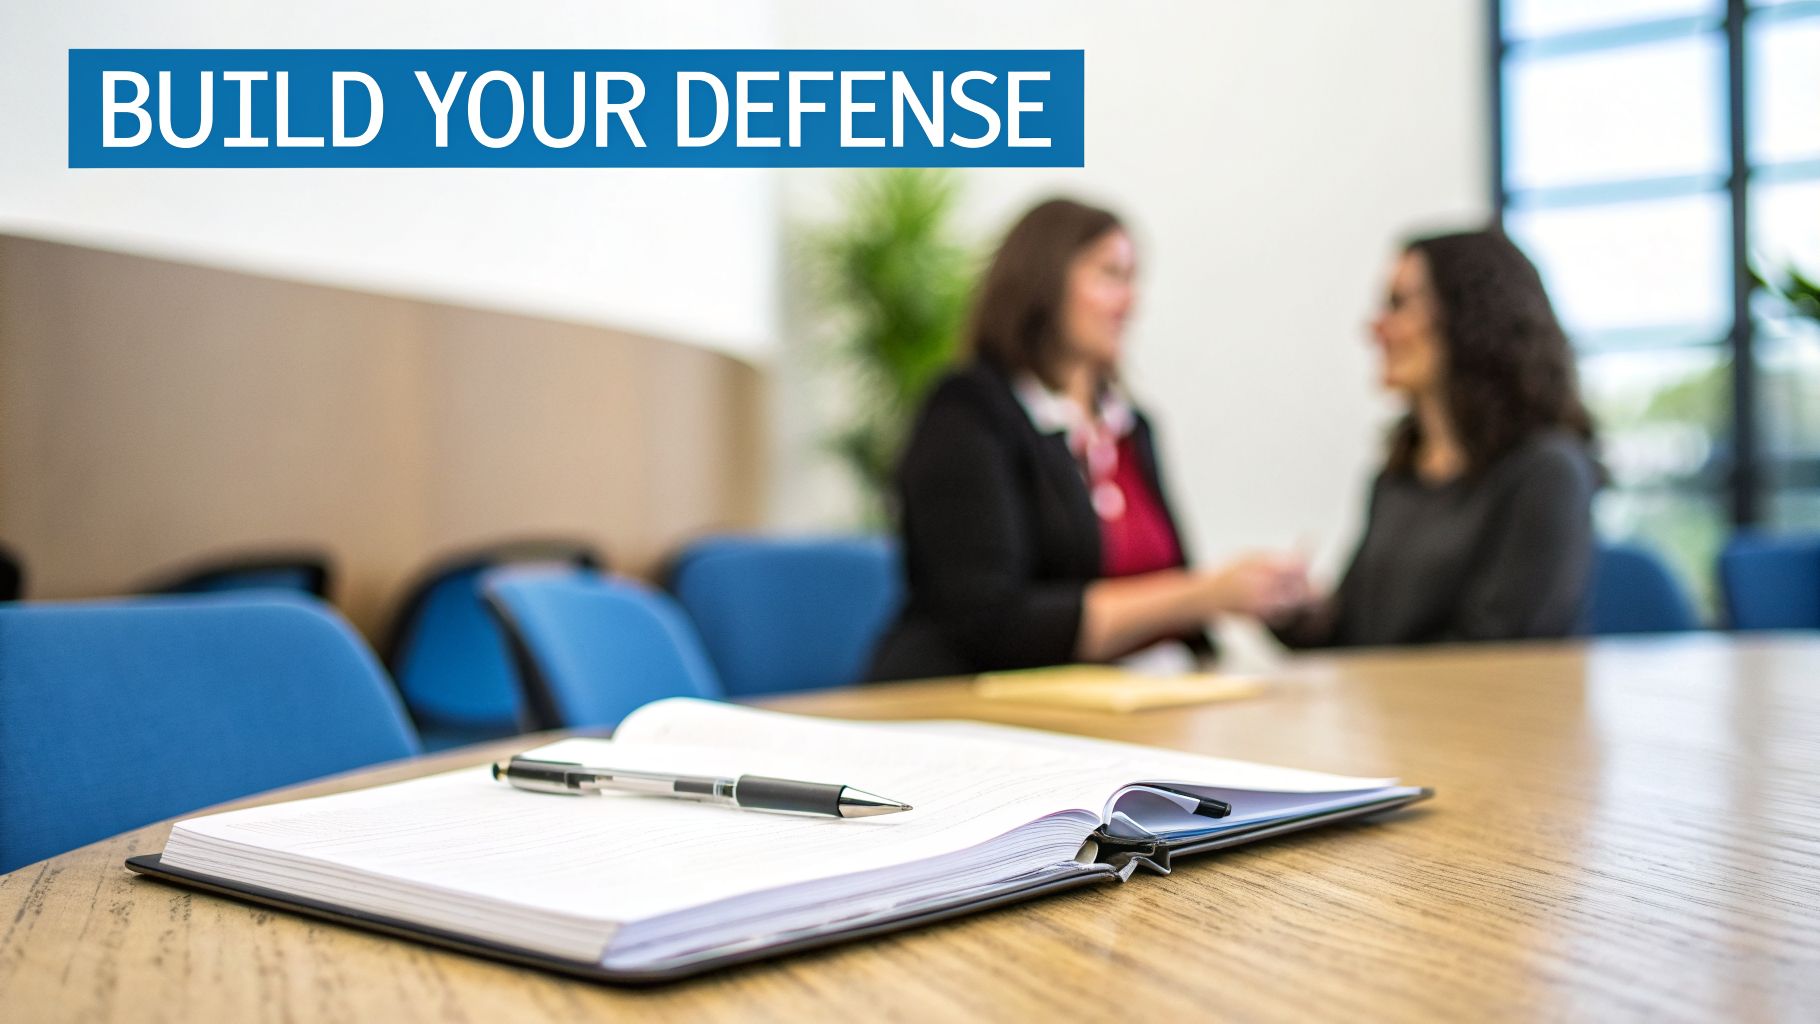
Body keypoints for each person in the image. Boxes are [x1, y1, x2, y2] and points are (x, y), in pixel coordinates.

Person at [866, 198, 1305, 682]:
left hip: (1137, 703)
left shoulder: (1130, 429)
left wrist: (1257, 597)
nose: (1131, 301)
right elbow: (993, 624)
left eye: (1133, 279)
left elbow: (1178, 598)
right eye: (1110, 275)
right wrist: (1203, 595)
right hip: (975, 710)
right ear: (1044, 280)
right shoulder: (968, 413)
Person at [1271, 228, 1600, 648]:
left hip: (1478, 713)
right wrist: (1297, 613)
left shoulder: (1546, 473)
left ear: (1471, 315)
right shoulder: (1398, 478)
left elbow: (1496, 653)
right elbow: (1351, 638)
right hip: (1391, 711)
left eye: (1398, 304)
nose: (1376, 328)